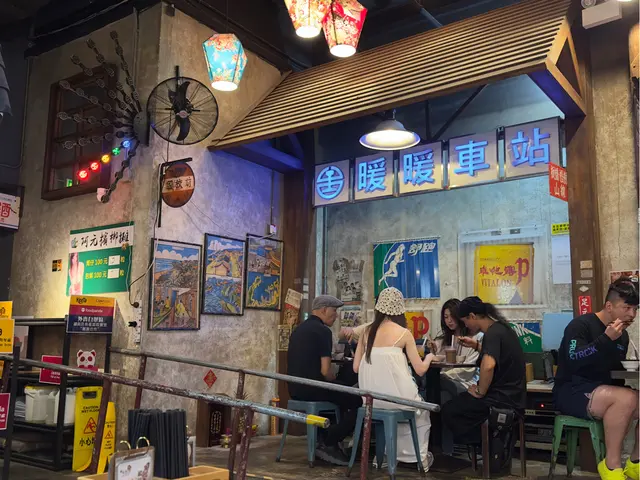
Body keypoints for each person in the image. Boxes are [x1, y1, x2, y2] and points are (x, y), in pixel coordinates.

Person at [553, 278, 639, 480]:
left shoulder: (623, 336)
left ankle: (635, 462)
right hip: (571, 391)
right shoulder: (580, 325)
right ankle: (611, 465)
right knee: (626, 398)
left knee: (629, 397)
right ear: (609, 306)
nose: (632, 314)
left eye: (636, 309)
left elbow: (613, 371)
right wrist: (605, 339)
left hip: (604, 391)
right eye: (627, 308)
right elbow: (574, 359)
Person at [353, 287, 435, 470]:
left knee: (394, 415)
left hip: (371, 402)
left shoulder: (366, 332)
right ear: (400, 309)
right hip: (398, 399)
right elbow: (420, 370)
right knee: (422, 411)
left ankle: (386, 455)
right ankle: (418, 459)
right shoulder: (404, 333)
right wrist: (430, 357)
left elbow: (356, 367)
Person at [287, 295, 362, 465]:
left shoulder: (299, 329)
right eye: (334, 311)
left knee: (339, 394)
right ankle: (329, 440)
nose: (336, 316)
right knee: (358, 400)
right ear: (323, 310)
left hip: (295, 388)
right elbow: (326, 371)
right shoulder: (323, 331)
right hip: (313, 387)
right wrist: (335, 380)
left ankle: (323, 439)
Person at [441, 297, 526, 447]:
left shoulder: (492, 334)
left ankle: (489, 443)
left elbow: (488, 366)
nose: (465, 325)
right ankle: (488, 444)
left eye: (465, 321)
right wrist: (476, 346)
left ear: (472, 316)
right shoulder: (502, 329)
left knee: (450, 410)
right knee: (460, 401)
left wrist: (480, 391)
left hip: (501, 399)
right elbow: (500, 356)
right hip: (514, 396)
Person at [426, 298, 482, 393]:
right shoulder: (442, 340)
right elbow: (439, 363)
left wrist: (443, 375)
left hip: (465, 382)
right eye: (446, 317)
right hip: (443, 380)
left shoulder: (475, 338)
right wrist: (433, 351)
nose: (449, 320)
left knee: (438, 383)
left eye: (452, 316)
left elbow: (468, 370)